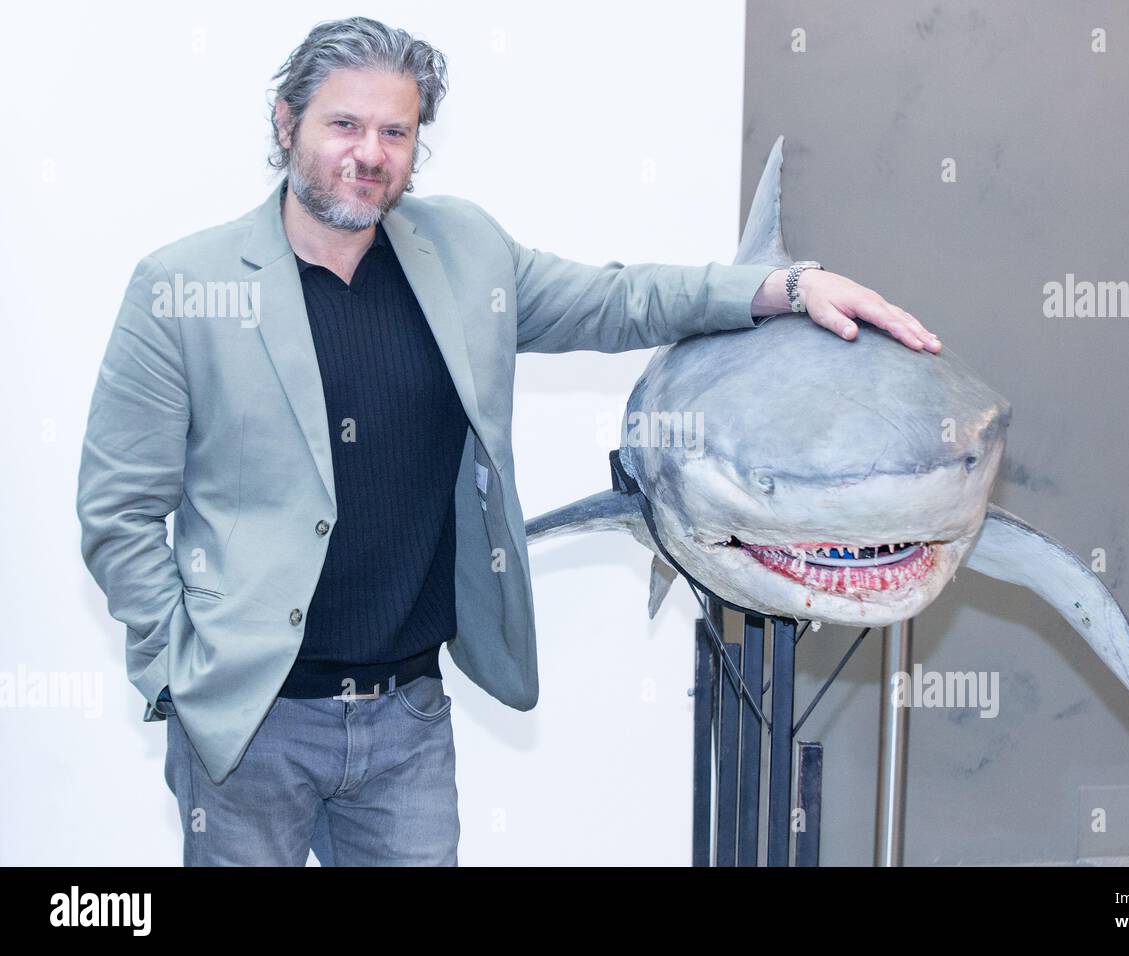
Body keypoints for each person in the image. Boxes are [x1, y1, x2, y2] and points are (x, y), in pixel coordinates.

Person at [75, 16, 941, 867]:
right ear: (284, 122)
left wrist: (784, 286)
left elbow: (620, 299)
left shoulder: (465, 254)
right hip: (249, 723)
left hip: (406, 720)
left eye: (395, 131)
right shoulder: (181, 288)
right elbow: (118, 512)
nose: (369, 153)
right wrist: (180, 676)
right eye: (343, 124)